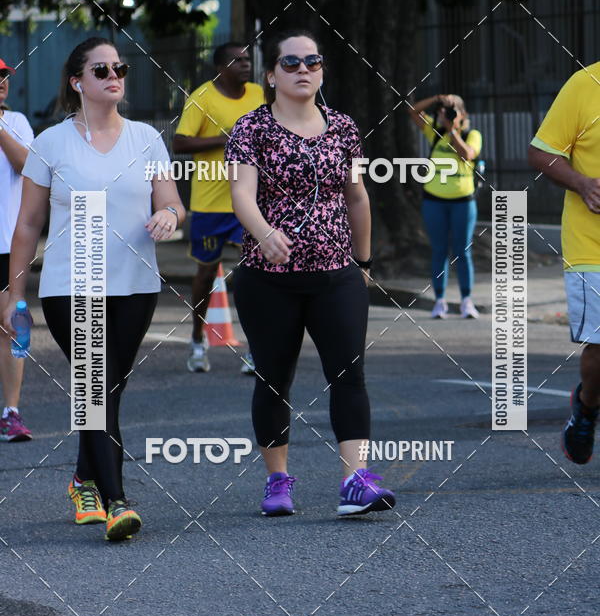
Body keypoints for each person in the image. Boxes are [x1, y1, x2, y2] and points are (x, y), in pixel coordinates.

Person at [4, 37, 185, 540]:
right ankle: (117, 501)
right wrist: (12, 293)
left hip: (135, 285)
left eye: (120, 68)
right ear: (77, 81)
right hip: (70, 286)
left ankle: (84, 476)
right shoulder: (51, 143)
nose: (114, 76)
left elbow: (171, 200)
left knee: (109, 391)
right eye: (101, 69)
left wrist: (169, 215)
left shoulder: (147, 137)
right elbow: (27, 225)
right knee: (93, 393)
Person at [226, 28, 396, 517]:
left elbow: (357, 196)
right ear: (271, 74)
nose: (304, 70)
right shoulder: (250, 128)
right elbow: (241, 194)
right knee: (274, 378)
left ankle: (355, 481)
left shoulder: (342, 126)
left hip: (336, 273)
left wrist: (363, 264)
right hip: (267, 277)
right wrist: (264, 233)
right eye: (292, 62)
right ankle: (277, 482)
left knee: (349, 375)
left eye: (313, 62)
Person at [172, 42, 263, 374]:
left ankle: (257, 348)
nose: (245, 65)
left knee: (254, 274)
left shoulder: (259, 94)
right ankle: (198, 338)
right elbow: (180, 142)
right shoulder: (202, 97)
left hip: (251, 201)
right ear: (220, 68)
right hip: (210, 203)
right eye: (236, 61)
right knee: (206, 272)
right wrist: (226, 139)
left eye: (248, 60)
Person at [528, 65, 600, 465]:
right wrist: (582, 182)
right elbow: (541, 152)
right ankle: (587, 405)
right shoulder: (585, 84)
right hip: (593, 245)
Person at [408, 93, 483, 319]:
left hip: (463, 202)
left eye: (450, 111)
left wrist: (453, 130)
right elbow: (412, 111)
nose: (444, 115)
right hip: (434, 201)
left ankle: (466, 302)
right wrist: (436, 100)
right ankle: (439, 301)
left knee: (463, 252)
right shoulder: (435, 132)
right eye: (442, 112)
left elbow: (467, 154)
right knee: (439, 250)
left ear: (463, 115)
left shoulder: (472, 135)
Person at [0, 59, 35, 442]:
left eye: (4, 76)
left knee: (11, 327)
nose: (1, 82)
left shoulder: (18, 122)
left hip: (7, 247)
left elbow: (26, 163)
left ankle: (11, 411)